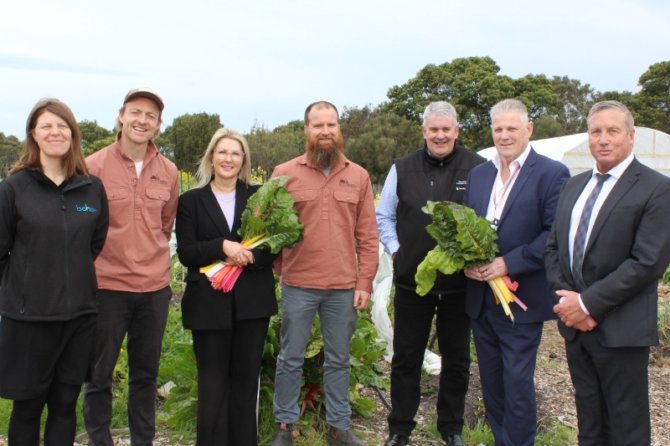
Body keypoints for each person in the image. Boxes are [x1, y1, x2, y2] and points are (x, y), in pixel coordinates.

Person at [544, 101, 670, 446]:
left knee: (626, 426)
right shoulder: (574, 185)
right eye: (596, 131)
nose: (603, 139)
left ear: (630, 136)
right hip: (575, 329)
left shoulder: (657, 188)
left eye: (612, 131)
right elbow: (554, 249)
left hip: (621, 327)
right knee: (590, 421)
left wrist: (587, 305)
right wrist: (568, 302)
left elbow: (647, 262)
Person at [268, 101, 379, 446]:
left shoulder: (358, 176)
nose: (326, 132)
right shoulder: (284, 173)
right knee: (289, 358)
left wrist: (364, 283)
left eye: (331, 125)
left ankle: (339, 428)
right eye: (318, 126)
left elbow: (368, 235)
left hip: (343, 288)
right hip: (299, 285)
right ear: (306, 130)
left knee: (339, 360)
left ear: (339, 129)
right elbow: (269, 228)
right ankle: (284, 427)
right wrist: (281, 269)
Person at [376, 101, 485, 446]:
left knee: (457, 360)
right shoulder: (402, 167)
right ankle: (400, 428)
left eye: (446, 129)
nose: (440, 135)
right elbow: (384, 216)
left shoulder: (478, 168)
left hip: (461, 286)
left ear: (456, 130)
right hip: (414, 283)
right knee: (406, 357)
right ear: (423, 131)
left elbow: (486, 217)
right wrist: (397, 251)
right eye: (433, 129)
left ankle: (450, 428)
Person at [0, 98, 109, 445]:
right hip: (29, 319)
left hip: (79, 318)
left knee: (65, 406)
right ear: (34, 133)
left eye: (62, 125)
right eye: (46, 125)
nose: (55, 132)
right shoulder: (14, 189)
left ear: (73, 134)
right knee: (28, 408)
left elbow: (94, 243)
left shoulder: (91, 189)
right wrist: (23, 288)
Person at [463, 99, 569, 446]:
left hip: (519, 300)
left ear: (529, 129)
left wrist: (509, 263)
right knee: (491, 381)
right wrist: (467, 263)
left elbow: (554, 233)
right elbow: (465, 228)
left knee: (517, 382)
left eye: (512, 128)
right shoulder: (480, 174)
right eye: (498, 129)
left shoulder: (552, 173)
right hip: (481, 298)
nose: (504, 135)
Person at [83, 88, 179, 446]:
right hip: (106, 288)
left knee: (145, 374)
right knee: (98, 373)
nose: (142, 120)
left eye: (150, 116)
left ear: (158, 125)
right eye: (135, 112)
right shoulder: (92, 165)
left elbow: (165, 226)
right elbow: (84, 223)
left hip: (153, 290)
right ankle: (99, 440)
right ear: (122, 116)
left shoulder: (168, 171)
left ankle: (143, 439)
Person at [175, 128, 278, 445]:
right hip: (208, 304)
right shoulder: (191, 201)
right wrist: (223, 246)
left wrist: (245, 256)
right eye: (222, 152)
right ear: (211, 156)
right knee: (212, 382)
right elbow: (187, 251)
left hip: (252, 304)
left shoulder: (260, 197)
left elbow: (273, 245)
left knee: (246, 382)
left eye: (236, 153)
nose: (228, 158)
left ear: (243, 159)